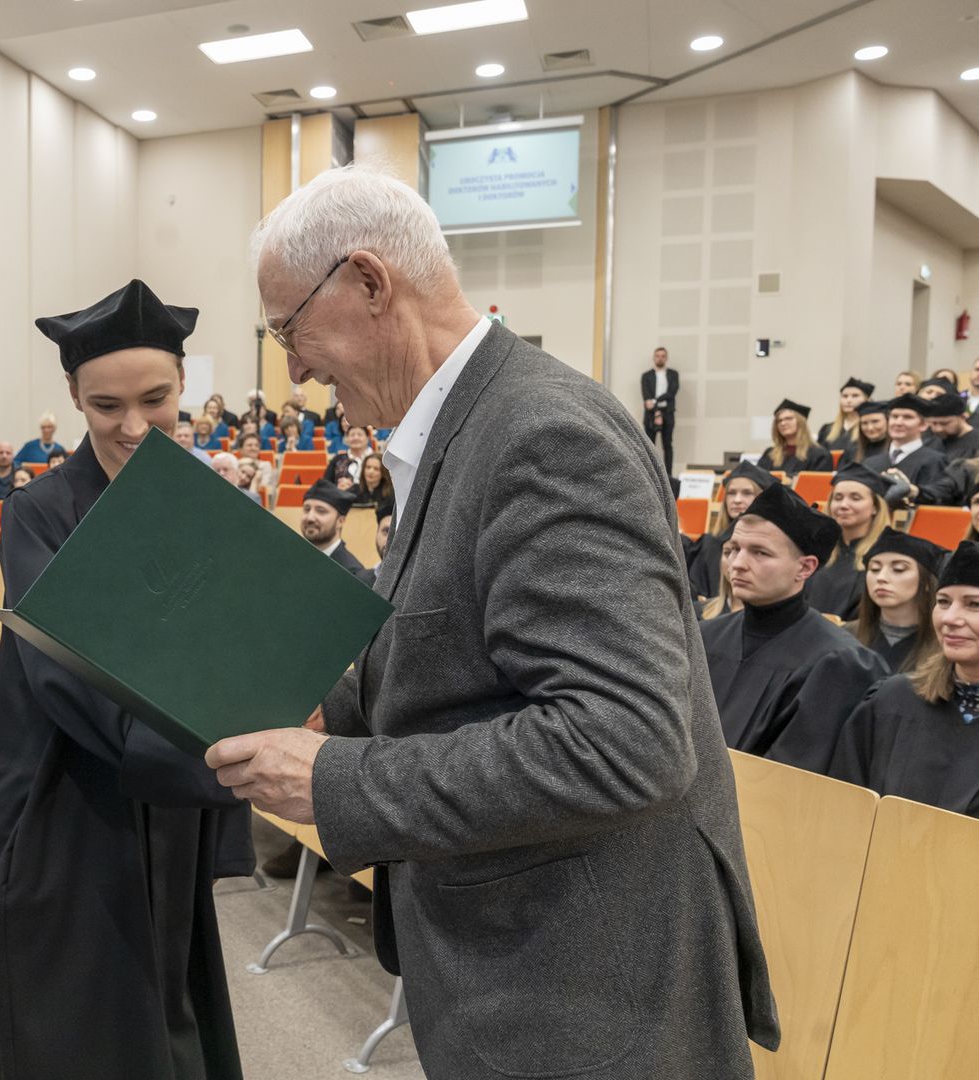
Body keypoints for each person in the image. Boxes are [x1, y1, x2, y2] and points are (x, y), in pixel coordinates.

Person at [208, 165, 777, 1078]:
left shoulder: (543, 433)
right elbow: (472, 659)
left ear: (368, 283)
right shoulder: (466, 427)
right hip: (527, 962)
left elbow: (624, 740)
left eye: (289, 330)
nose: (295, 370)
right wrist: (344, 706)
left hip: (587, 991)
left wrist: (340, 780)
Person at [0, 279, 249, 1080]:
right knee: (79, 1023)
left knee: (169, 1002)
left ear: (183, 385)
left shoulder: (200, 498)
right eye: (106, 407)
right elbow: (69, 671)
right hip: (67, 803)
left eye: (155, 399)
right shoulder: (40, 513)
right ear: (74, 397)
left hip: (168, 802)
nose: (133, 426)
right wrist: (218, 760)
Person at [698, 483, 890, 771]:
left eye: (760, 553)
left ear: (805, 568)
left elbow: (793, 780)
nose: (737, 564)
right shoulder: (705, 636)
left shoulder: (838, 663)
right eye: (734, 549)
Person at [828, 540, 979, 816]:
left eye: (974, 605)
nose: (950, 618)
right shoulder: (891, 700)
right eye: (943, 602)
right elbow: (844, 803)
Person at [848, 531, 944, 673]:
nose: (881, 577)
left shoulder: (944, 646)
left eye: (898, 569)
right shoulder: (846, 636)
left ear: (927, 582)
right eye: (874, 569)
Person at [807, 462, 890, 619]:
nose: (843, 505)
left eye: (855, 498)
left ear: (875, 507)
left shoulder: (884, 555)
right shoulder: (817, 551)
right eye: (838, 498)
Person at [687, 461, 775, 601]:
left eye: (747, 493)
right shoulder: (709, 544)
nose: (737, 500)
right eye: (731, 493)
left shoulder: (772, 546)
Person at [863, 393, 947, 505]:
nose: (898, 422)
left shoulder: (935, 461)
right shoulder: (871, 462)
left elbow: (937, 500)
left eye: (907, 417)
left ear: (923, 425)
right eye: (894, 416)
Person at [299, 478, 366, 575]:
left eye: (321, 511)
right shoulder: (290, 559)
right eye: (306, 509)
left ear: (340, 521)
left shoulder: (351, 573)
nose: (310, 518)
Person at [756, 399, 832, 475]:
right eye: (779, 421)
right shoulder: (770, 454)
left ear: (801, 422)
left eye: (788, 418)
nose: (783, 423)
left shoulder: (819, 455)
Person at [642, 345, 679, 473]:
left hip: (668, 413)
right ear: (654, 358)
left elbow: (671, 393)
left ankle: (669, 475)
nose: (660, 359)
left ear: (666, 358)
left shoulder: (673, 375)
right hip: (651, 415)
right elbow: (646, 398)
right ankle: (650, 473)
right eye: (658, 356)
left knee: (667, 445)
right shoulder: (646, 376)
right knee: (649, 446)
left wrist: (655, 401)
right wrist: (655, 409)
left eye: (663, 356)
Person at [817, 377, 874, 453]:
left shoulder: (869, 429)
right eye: (845, 396)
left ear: (866, 400)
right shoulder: (827, 429)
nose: (848, 400)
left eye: (855, 396)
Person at [926, 391, 979, 461]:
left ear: (963, 417)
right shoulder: (930, 443)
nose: (938, 429)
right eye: (934, 423)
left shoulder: (976, 445)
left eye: (944, 423)